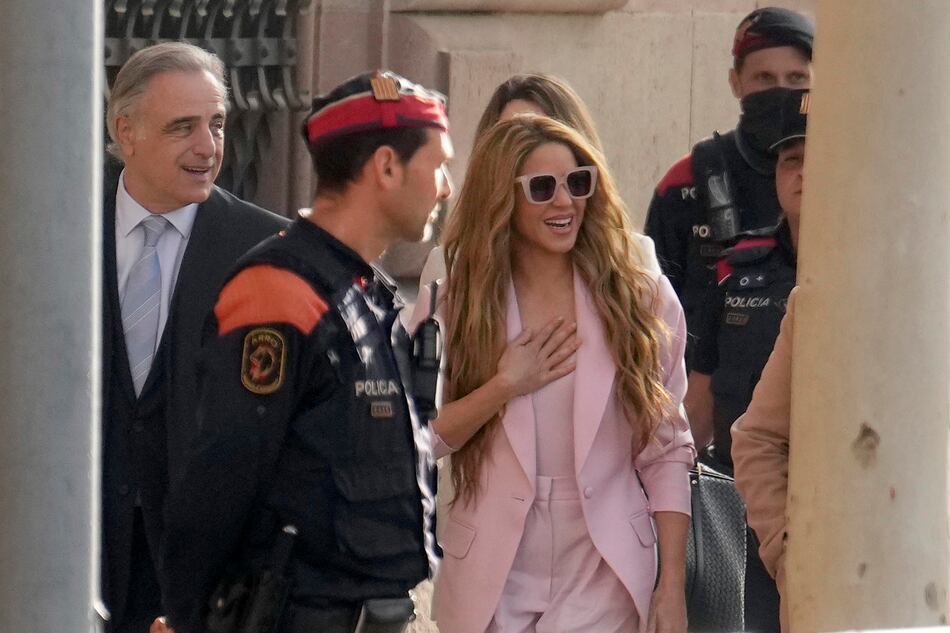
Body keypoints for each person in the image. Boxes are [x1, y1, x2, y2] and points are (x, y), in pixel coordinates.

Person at [155, 70, 453, 633]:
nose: (445, 188)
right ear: (386, 167)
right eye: (438, 165)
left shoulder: (364, 292)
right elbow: (219, 481)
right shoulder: (279, 291)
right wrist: (187, 616)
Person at [415, 115, 694, 633]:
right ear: (503, 198)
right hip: (492, 573)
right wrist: (504, 385)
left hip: (604, 565)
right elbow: (415, 440)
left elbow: (668, 449)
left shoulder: (639, 298)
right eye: (542, 188)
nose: (565, 202)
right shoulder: (455, 301)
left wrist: (671, 586)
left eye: (577, 182)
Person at [101, 42, 288, 633]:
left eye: (217, 124)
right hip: (74, 555)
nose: (208, 147)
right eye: (183, 127)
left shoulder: (269, 252)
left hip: (206, 577)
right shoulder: (55, 233)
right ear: (125, 131)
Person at [643, 7, 813, 361]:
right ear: (735, 82)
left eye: (797, 78)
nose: (782, 91)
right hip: (708, 382)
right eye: (765, 78)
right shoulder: (684, 183)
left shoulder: (848, 182)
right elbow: (648, 315)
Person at [418, 73, 659, 289]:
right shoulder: (449, 268)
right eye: (509, 137)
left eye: (547, 133)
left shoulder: (633, 261)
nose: (528, 146)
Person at [730, 89, 810, 633]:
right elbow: (751, 434)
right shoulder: (748, 270)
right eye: (791, 159)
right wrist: (788, 555)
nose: (804, 174)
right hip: (762, 527)